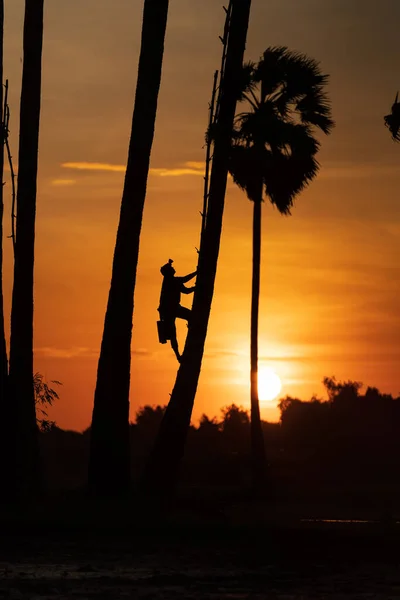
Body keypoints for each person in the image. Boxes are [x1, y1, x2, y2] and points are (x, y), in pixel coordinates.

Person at [158, 259, 197, 362]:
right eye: (171, 268)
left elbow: (186, 289)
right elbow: (185, 282)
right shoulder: (172, 281)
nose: (173, 269)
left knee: (173, 333)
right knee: (173, 332)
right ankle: (178, 356)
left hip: (170, 309)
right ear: (169, 272)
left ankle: (178, 356)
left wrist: (194, 287)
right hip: (171, 309)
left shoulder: (172, 281)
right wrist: (197, 273)